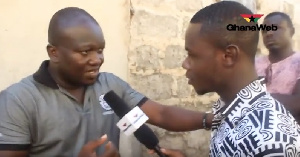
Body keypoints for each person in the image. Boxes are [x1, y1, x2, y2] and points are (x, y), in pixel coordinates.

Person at [0, 7, 213, 157]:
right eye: (85, 52)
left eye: (100, 50)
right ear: (54, 53)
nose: (97, 60)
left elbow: (161, 114)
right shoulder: (18, 100)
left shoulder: (110, 86)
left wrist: (212, 120)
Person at [151, 1, 300, 156]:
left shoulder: (270, 143)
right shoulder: (229, 110)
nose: (185, 64)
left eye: (192, 55)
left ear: (228, 56)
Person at [256, 11, 300, 122]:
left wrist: (255, 100)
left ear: (292, 31)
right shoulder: (254, 64)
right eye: (265, 30)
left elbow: (298, 104)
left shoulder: (298, 61)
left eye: (276, 28)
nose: (269, 33)